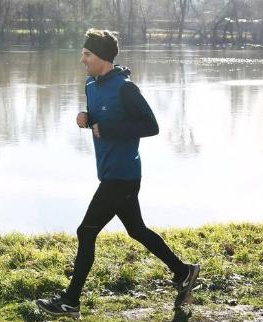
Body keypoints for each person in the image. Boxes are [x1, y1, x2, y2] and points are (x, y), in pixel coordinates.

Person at [36, 29, 199, 319]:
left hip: (123, 176)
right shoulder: (90, 84)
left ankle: (70, 302)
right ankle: (184, 271)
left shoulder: (126, 88)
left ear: (101, 57)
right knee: (136, 229)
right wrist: (86, 120)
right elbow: (101, 119)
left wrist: (107, 128)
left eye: (87, 54)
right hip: (108, 171)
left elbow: (151, 126)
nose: (82, 59)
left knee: (85, 232)